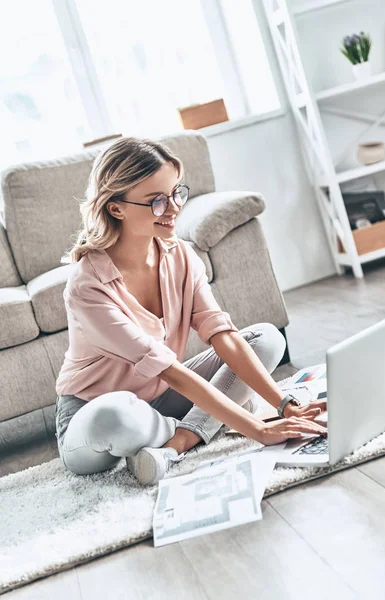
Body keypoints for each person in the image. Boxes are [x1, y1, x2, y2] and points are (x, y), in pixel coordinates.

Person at [55, 136, 327, 486]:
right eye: (156, 201)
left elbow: (222, 336)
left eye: (175, 194)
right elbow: (170, 370)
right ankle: (211, 420)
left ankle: (177, 443)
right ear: (116, 207)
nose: (173, 209)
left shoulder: (180, 256)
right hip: (96, 419)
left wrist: (285, 403)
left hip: (163, 398)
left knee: (267, 339)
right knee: (115, 416)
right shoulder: (87, 286)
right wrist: (256, 429)